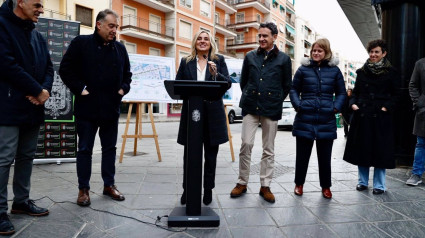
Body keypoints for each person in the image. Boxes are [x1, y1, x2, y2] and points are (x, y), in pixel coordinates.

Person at [59, 9, 132, 206]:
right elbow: (65, 69)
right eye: (111, 26)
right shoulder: (80, 43)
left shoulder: (120, 48)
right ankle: (83, 189)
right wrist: (80, 89)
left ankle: (109, 185)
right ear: (99, 25)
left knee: (110, 149)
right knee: (84, 149)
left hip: (110, 109)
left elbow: (128, 75)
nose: (114, 30)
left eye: (116, 27)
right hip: (87, 109)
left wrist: (122, 90)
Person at [0, 0, 52, 235]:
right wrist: (36, 90)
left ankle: (21, 202)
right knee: (3, 159)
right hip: (7, 106)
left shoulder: (37, 35)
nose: (41, 9)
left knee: (26, 156)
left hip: (33, 107)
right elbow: (6, 65)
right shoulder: (1, 26)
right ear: (20, 2)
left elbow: (49, 69)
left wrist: (44, 92)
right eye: (37, 4)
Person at [230, 22, 292, 203]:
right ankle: (242, 182)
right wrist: (251, 94)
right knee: (246, 144)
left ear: (274, 37)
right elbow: (244, 82)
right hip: (250, 105)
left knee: (268, 149)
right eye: (260, 36)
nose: (262, 39)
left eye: (265, 36)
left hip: (271, 108)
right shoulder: (250, 56)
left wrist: (274, 99)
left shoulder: (284, 59)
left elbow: (286, 85)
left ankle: (265, 186)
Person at [176, 30, 232, 206]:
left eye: (206, 39)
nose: (202, 41)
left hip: (212, 115)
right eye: (199, 39)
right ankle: (187, 189)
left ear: (211, 43)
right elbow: (178, 85)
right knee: (189, 155)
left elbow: (228, 83)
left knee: (210, 156)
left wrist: (216, 75)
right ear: (194, 42)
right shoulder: (186, 62)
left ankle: (208, 189)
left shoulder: (218, 60)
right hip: (192, 114)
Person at [290, 38, 346, 199]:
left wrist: (335, 107)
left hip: (326, 119)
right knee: (302, 156)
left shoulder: (335, 71)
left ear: (326, 52)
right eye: (314, 50)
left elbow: (342, 93)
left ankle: (326, 187)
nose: (316, 53)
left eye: (319, 50)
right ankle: (299, 184)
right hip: (304, 118)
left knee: (325, 157)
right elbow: (293, 89)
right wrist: (298, 105)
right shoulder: (303, 69)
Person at [343, 39, 400, 194]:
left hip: (381, 117)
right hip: (363, 114)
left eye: (376, 52)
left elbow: (396, 94)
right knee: (363, 149)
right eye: (371, 52)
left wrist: (385, 107)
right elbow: (355, 92)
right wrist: (353, 104)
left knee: (380, 151)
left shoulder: (392, 72)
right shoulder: (362, 72)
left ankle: (379, 185)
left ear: (384, 53)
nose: (373, 55)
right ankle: (362, 182)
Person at [406, 58, 425, 186]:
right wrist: (419, 104)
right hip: (424, 111)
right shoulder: (420, 63)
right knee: (421, 143)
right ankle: (416, 174)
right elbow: (413, 85)